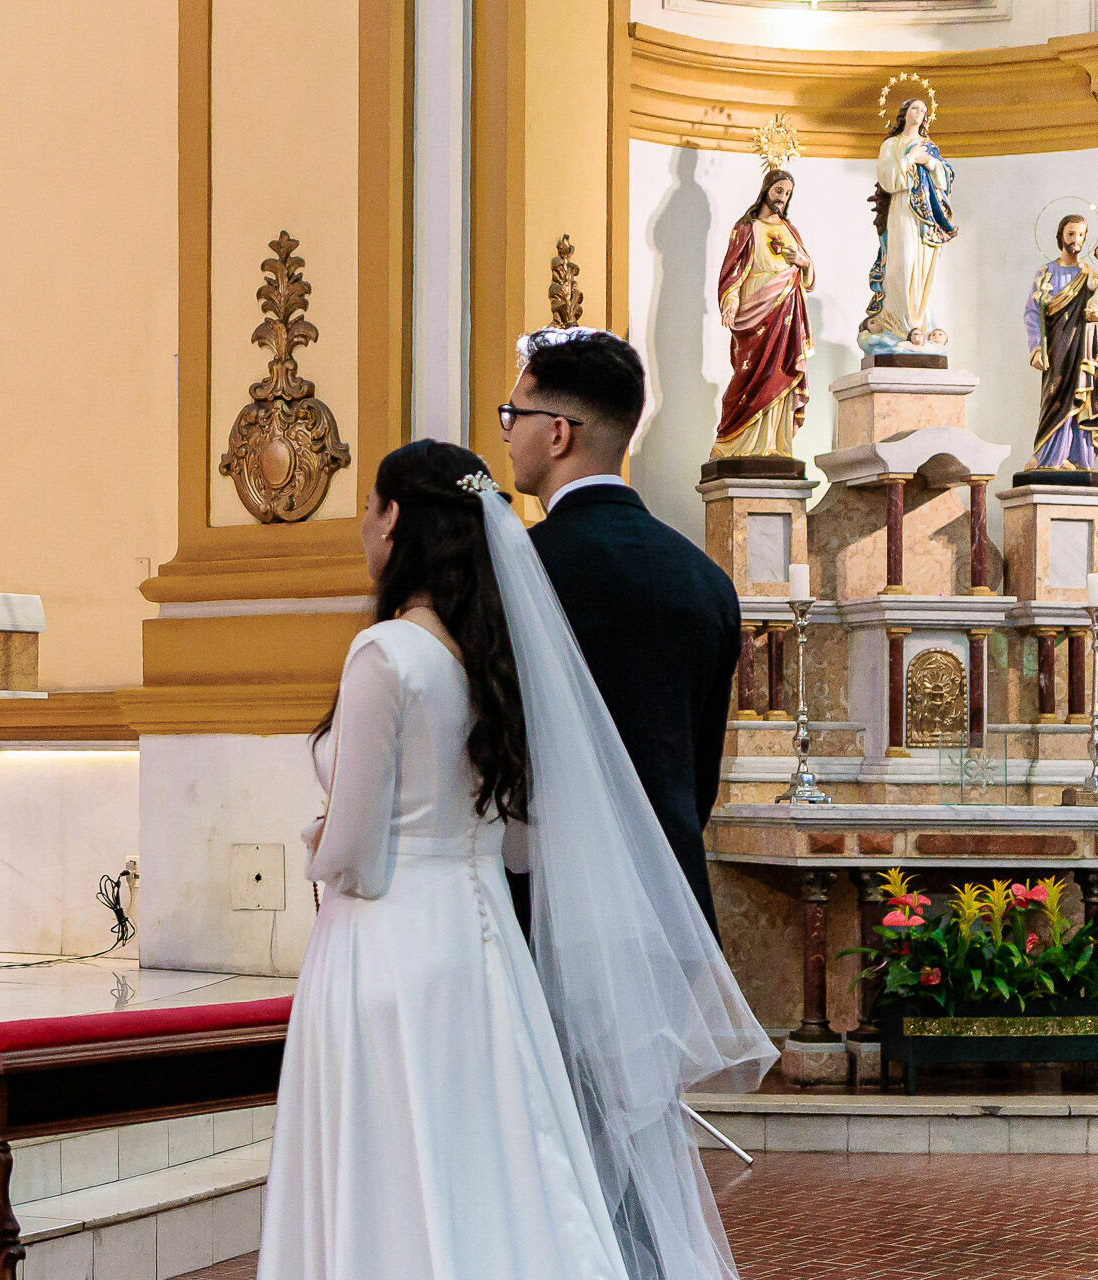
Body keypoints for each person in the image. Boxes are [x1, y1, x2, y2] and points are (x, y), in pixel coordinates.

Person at [257, 438, 774, 1280]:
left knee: (390, 1157)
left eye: (369, 507)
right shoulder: (492, 662)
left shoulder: (386, 654)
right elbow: (524, 843)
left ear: (395, 520)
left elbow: (354, 853)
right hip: (485, 942)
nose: (362, 526)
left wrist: (319, 843)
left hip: (386, 943)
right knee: (495, 1158)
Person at [500, 328, 740, 938]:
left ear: (558, 433)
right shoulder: (706, 580)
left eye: (515, 415)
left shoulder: (519, 569)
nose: (507, 433)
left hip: (555, 909)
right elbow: (698, 776)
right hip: (674, 906)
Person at [713, 168, 813, 461]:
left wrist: (804, 263)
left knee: (780, 371)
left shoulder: (791, 230)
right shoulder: (746, 228)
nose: (782, 197)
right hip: (754, 311)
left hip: (785, 312)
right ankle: (736, 444)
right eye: (779, 190)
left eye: (787, 193)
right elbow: (732, 271)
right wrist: (731, 300)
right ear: (766, 190)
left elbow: (808, 276)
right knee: (750, 375)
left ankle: (775, 445)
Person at [858, 97, 956, 352]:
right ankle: (898, 324)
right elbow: (887, 179)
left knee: (922, 269)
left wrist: (929, 162)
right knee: (903, 262)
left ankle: (918, 323)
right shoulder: (891, 144)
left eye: (923, 109)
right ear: (904, 113)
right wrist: (911, 157)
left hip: (926, 214)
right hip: (901, 207)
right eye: (915, 108)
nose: (920, 112)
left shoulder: (929, 146)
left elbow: (944, 179)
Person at [1021, 213, 1098, 472]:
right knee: (1054, 398)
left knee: (1080, 396)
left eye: (1080, 234)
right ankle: (1048, 456)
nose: (1076, 239)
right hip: (1057, 348)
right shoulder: (1047, 273)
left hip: (1082, 348)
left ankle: (1078, 457)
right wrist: (1036, 348)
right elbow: (1032, 312)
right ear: (1060, 236)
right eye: (1070, 234)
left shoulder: (1089, 275)